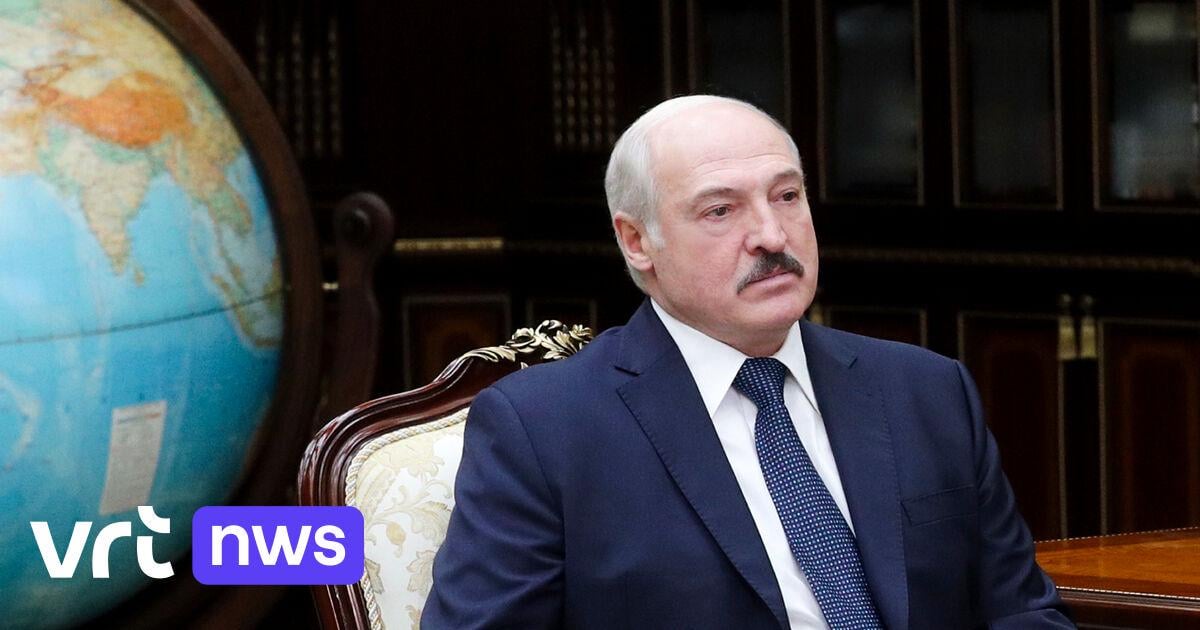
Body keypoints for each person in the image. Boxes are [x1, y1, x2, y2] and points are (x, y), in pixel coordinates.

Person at [422, 95, 1073, 629]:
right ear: (637, 240)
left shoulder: (925, 389)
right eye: (721, 210)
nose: (771, 234)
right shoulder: (545, 430)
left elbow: (1022, 612)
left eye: (787, 196)